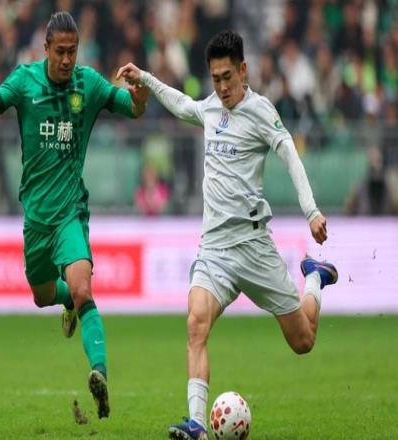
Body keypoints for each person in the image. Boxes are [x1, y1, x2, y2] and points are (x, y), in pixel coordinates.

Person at [117, 30, 338, 440]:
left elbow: (289, 154)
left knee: (303, 341)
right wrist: (145, 78)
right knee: (195, 323)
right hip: (215, 248)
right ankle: (197, 424)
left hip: (253, 246)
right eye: (215, 78)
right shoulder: (210, 107)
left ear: (243, 70)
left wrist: (311, 211)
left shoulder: (260, 110)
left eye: (227, 77)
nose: (221, 87)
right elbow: (182, 103)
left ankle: (314, 277)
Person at [0, 11, 149, 419]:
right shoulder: (24, 81)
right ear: (45, 48)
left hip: (70, 213)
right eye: (60, 51)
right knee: (43, 295)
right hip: (36, 218)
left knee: (83, 289)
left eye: (73, 51)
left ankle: (99, 373)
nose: (67, 59)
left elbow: (130, 107)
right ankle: (64, 302)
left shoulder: (89, 84)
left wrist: (139, 98)